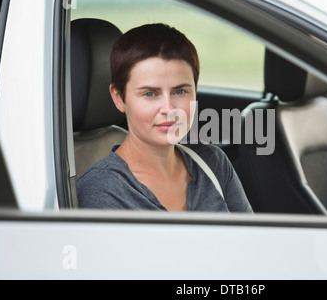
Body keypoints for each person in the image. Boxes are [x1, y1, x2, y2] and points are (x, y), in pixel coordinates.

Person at [77, 23, 252, 212]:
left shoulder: (212, 162)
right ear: (119, 98)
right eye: (150, 94)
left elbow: (254, 240)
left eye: (180, 91)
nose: (169, 108)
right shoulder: (102, 191)